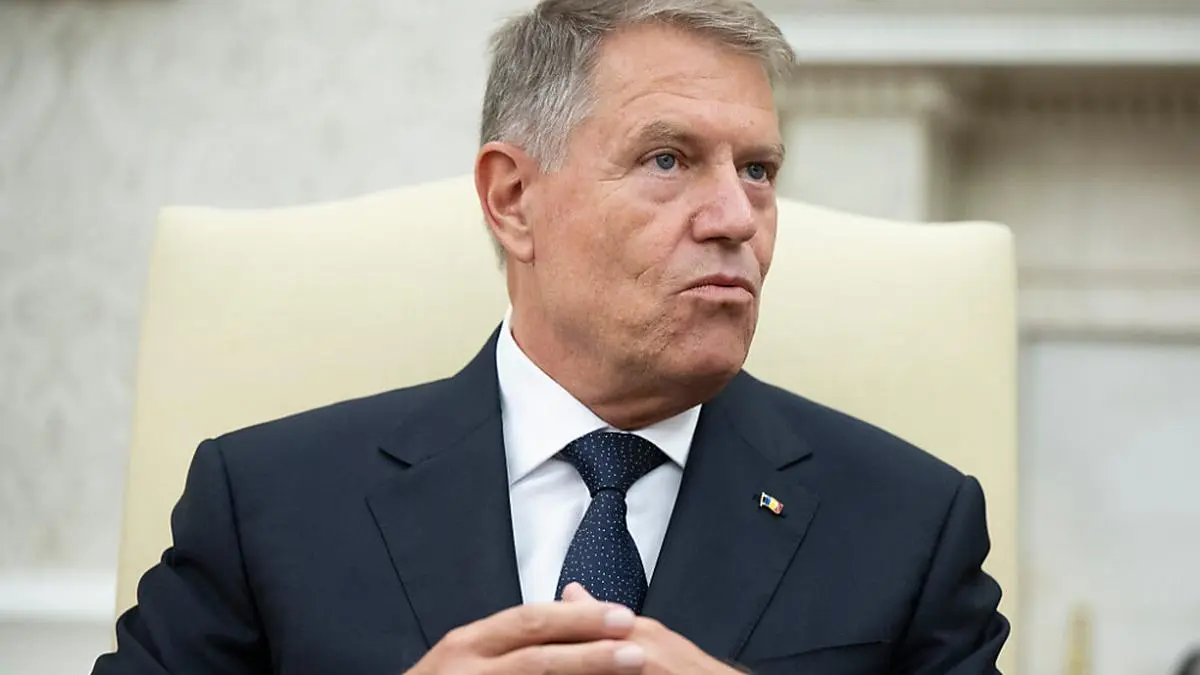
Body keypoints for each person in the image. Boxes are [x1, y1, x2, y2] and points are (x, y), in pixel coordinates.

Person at [92, 0, 1009, 673]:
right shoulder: (270, 504)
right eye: (668, 159)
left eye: (759, 170)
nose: (737, 216)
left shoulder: (909, 524)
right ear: (513, 199)